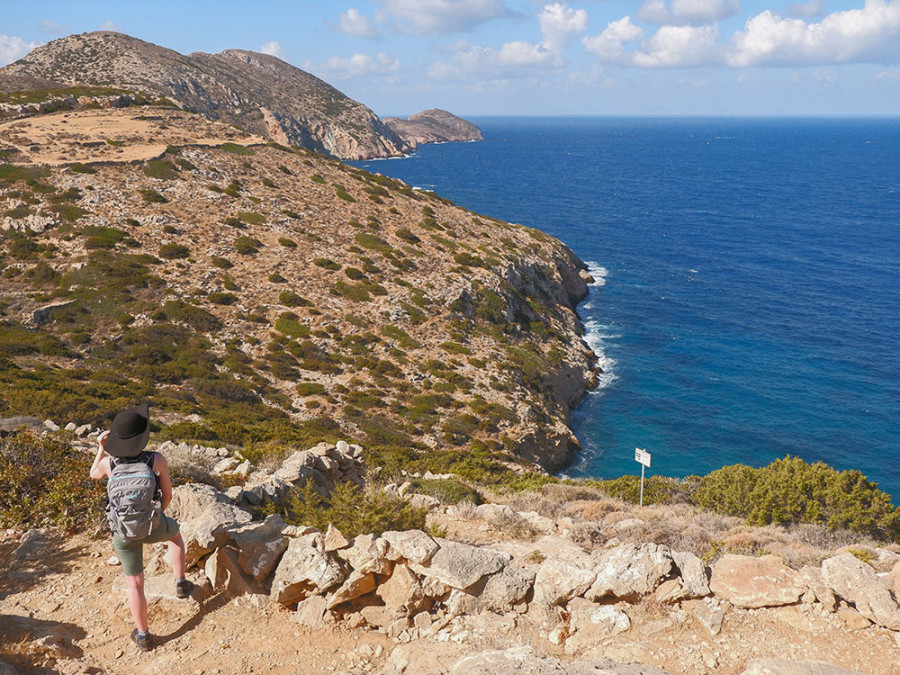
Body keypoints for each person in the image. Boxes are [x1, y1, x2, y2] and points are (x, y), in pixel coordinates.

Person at [89, 402, 192, 652]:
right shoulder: (155, 460)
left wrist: (100, 449)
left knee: (135, 584)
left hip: (123, 534)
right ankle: (180, 583)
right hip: (153, 525)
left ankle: (144, 635)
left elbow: (93, 474)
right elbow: (167, 496)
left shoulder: (109, 465)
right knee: (176, 537)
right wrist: (155, 518)